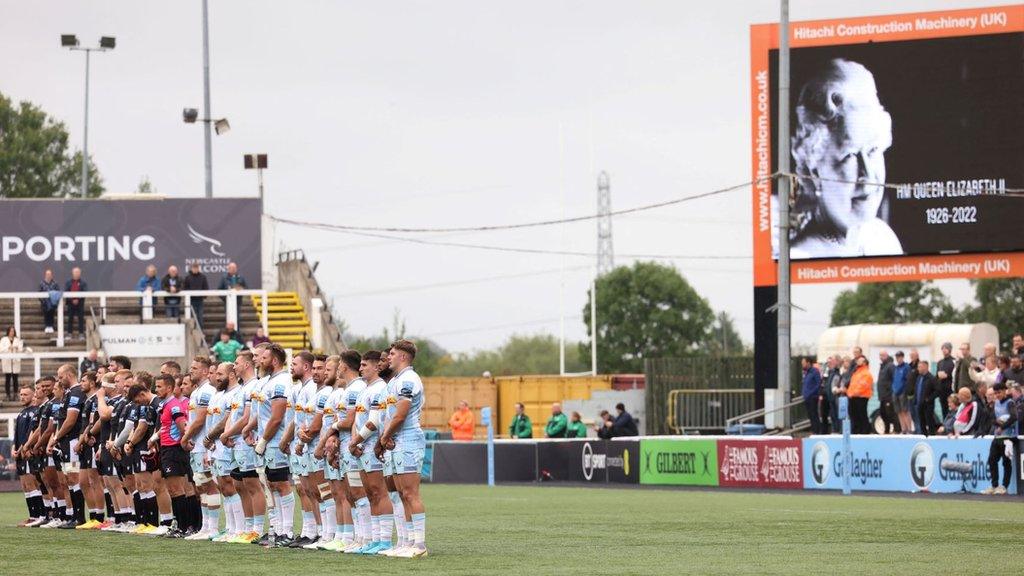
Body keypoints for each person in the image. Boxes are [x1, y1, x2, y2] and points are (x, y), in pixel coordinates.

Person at [783, 58, 899, 259]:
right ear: (813, 172)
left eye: (873, 150)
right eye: (849, 155)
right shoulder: (800, 255)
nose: (868, 175)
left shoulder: (883, 237)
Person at [982, 382, 1017, 495]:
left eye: (999, 392)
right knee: (992, 460)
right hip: (998, 437)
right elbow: (993, 418)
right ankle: (994, 485)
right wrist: (997, 424)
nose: (997, 395)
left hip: (1009, 437)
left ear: (1004, 391)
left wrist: (1002, 427)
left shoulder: (1010, 403)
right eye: (995, 393)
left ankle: (1004, 486)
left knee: (1006, 462)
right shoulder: (996, 403)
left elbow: (1014, 417)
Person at [2, 326, 31, 401]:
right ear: (8, 332)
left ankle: (15, 394)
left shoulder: (17, 340)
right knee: (7, 379)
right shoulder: (3, 339)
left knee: (15, 379)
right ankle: (8, 395)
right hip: (7, 361)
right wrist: (9, 347)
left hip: (15, 361)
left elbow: (20, 348)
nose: (12, 333)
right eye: (10, 331)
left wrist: (16, 348)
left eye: (13, 331)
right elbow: (1, 348)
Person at [846, 356, 873, 434]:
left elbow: (863, 386)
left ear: (864, 362)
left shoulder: (866, 373)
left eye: (860, 361)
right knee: (854, 415)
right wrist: (849, 393)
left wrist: (853, 393)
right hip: (853, 397)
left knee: (862, 414)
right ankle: (856, 431)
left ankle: (864, 431)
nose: (857, 362)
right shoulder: (856, 372)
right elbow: (852, 384)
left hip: (861, 397)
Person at [912, 360, 939, 436]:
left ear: (925, 367)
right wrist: (915, 400)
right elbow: (917, 389)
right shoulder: (919, 378)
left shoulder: (931, 378)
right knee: (922, 422)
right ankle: (924, 436)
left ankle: (932, 436)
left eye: (920, 367)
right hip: (919, 404)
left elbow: (937, 391)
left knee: (929, 421)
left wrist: (928, 399)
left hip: (928, 405)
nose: (918, 369)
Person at [876, 351, 898, 434]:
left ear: (887, 355)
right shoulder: (883, 366)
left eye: (883, 355)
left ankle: (897, 429)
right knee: (883, 413)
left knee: (891, 414)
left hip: (889, 395)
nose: (881, 357)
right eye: (880, 355)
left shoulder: (890, 366)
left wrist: (891, 392)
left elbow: (894, 380)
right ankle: (887, 430)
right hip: (882, 396)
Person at [181, 262, 209, 327]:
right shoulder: (187, 278)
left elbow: (206, 287)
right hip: (191, 301)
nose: (195, 269)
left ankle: (201, 334)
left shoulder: (203, 277)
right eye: (194, 268)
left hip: (200, 300)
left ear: (198, 268)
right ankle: (192, 334)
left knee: (200, 318)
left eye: (197, 268)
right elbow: (185, 288)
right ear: (191, 268)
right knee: (191, 318)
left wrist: (204, 296)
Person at [64, 267, 87, 340]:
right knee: (70, 318)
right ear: (72, 273)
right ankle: (69, 334)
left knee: (81, 318)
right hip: (71, 303)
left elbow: (85, 292)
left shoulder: (83, 283)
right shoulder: (68, 282)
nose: (76, 274)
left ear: (80, 273)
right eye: (75, 272)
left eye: (78, 272)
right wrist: (72, 300)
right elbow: (66, 292)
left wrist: (78, 299)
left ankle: (81, 334)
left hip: (80, 304)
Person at [800, 357, 822, 434]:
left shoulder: (815, 371)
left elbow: (818, 384)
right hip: (807, 398)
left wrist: (810, 393)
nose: (802, 365)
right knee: (810, 415)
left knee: (814, 414)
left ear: (808, 363)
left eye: (803, 363)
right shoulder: (806, 373)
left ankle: (817, 431)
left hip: (813, 397)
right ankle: (814, 430)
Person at [892, 351, 911, 434]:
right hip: (895, 392)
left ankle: (909, 429)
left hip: (903, 392)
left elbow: (907, 380)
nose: (898, 359)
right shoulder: (896, 368)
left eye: (899, 357)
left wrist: (904, 390)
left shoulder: (906, 367)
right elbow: (895, 380)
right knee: (899, 411)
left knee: (905, 410)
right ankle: (903, 429)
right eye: (897, 357)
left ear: (902, 357)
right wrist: (894, 389)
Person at [935, 343, 955, 418]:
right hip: (941, 390)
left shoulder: (953, 361)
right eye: (942, 349)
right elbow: (936, 375)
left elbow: (955, 374)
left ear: (949, 350)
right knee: (944, 409)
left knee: (951, 408)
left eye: (945, 348)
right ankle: (945, 424)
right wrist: (938, 375)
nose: (944, 350)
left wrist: (947, 375)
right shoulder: (940, 362)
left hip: (950, 389)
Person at [39, 269, 61, 334]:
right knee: (46, 314)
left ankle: (51, 326)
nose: (48, 276)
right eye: (47, 274)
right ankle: (46, 326)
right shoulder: (41, 283)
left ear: (51, 275)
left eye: (49, 274)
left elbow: (58, 292)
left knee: (51, 314)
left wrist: (54, 301)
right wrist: (43, 301)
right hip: (44, 303)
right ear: (45, 275)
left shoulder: (55, 283)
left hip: (52, 303)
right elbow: (39, 293)